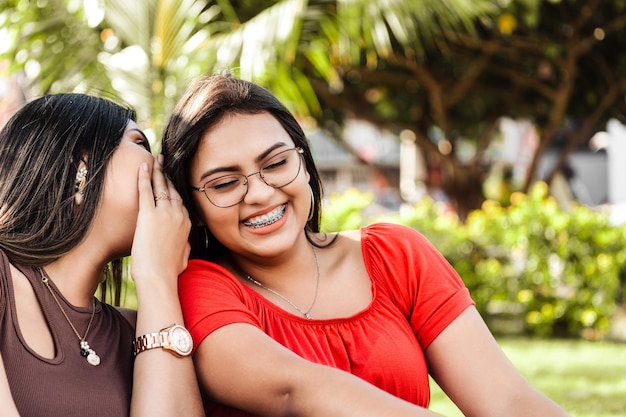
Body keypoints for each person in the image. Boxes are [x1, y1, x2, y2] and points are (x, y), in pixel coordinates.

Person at [162, 73, 570, 417]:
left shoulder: (395, 255)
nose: (260, 193)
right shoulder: (200, 287)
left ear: (304, 164)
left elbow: (508, 400)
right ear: (193, 206)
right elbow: (295, 389)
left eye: (276, 163)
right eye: (225, 183)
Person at [0, 93, 204, 417]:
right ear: (82, 164)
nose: (163, 167)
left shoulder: (138, 330)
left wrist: (157, 279)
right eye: (140, 143)